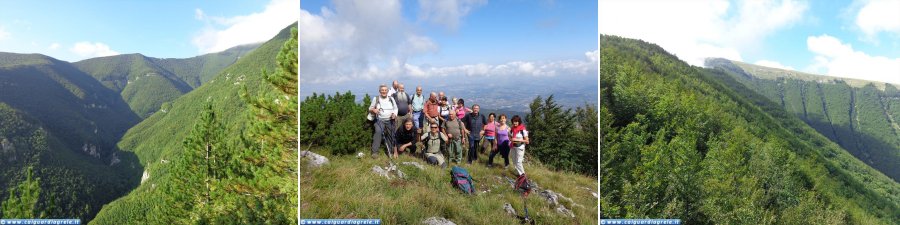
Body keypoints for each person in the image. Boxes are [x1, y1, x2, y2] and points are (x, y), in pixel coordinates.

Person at [369, 84, 398, 158]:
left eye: (385, 90)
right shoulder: (376, 99)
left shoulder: (391, 99)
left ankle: (390, 151)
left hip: (390, 120)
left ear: (387, 91)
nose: (384, 91)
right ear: (379, 91)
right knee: (378, 132)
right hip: (379, 120)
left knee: (391, 134)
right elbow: (370, 108)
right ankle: (375, 152)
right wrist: (374, 110)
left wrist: (394, 114)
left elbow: (395, 108)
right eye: (382, 90)